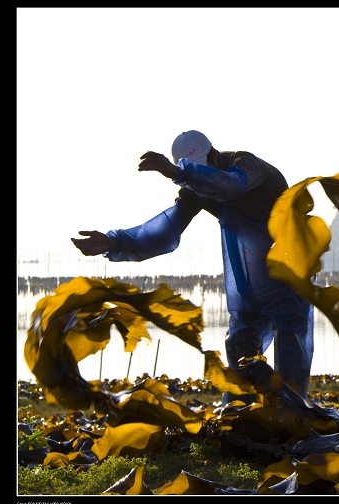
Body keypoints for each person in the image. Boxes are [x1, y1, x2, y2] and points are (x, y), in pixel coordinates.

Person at [71, 130, 315, 402]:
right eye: (191, 169)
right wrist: (112, 243)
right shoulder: (198, 188)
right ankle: (242, 412)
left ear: (212, 153)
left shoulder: (246, 165)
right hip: (249, 273)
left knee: (291, 339)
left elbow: (231, 185)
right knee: (241, 340)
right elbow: (166, 230)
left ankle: (295, 411)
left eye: (199, 167)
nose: (198, 175)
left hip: (291, 262)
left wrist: (182, 174)